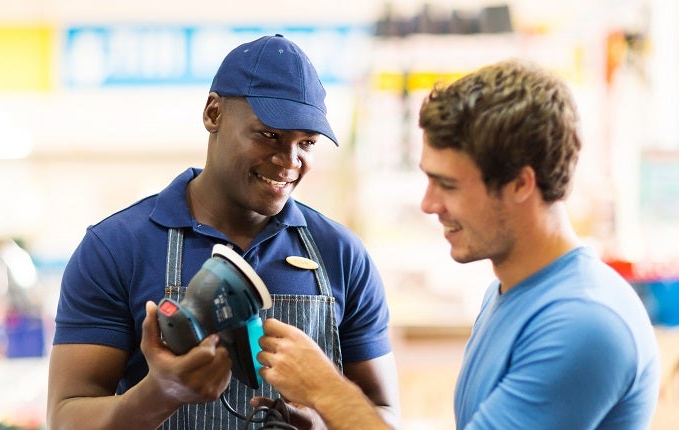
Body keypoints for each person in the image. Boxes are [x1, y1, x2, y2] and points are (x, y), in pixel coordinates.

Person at [257, 58, 661, 430]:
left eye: (447, 185)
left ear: (521, 184)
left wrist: (328, 390)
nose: (428, 204)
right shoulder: (508, 294)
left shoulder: (583, 323)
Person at [46, 34, 400, 430]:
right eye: (269, 135)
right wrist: (159, 394)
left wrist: (319, 421)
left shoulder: (341, 254)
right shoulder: (116, 248)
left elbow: (384, 415)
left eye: (307, 143)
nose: (288, 161)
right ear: (213, 113)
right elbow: (66, 417)